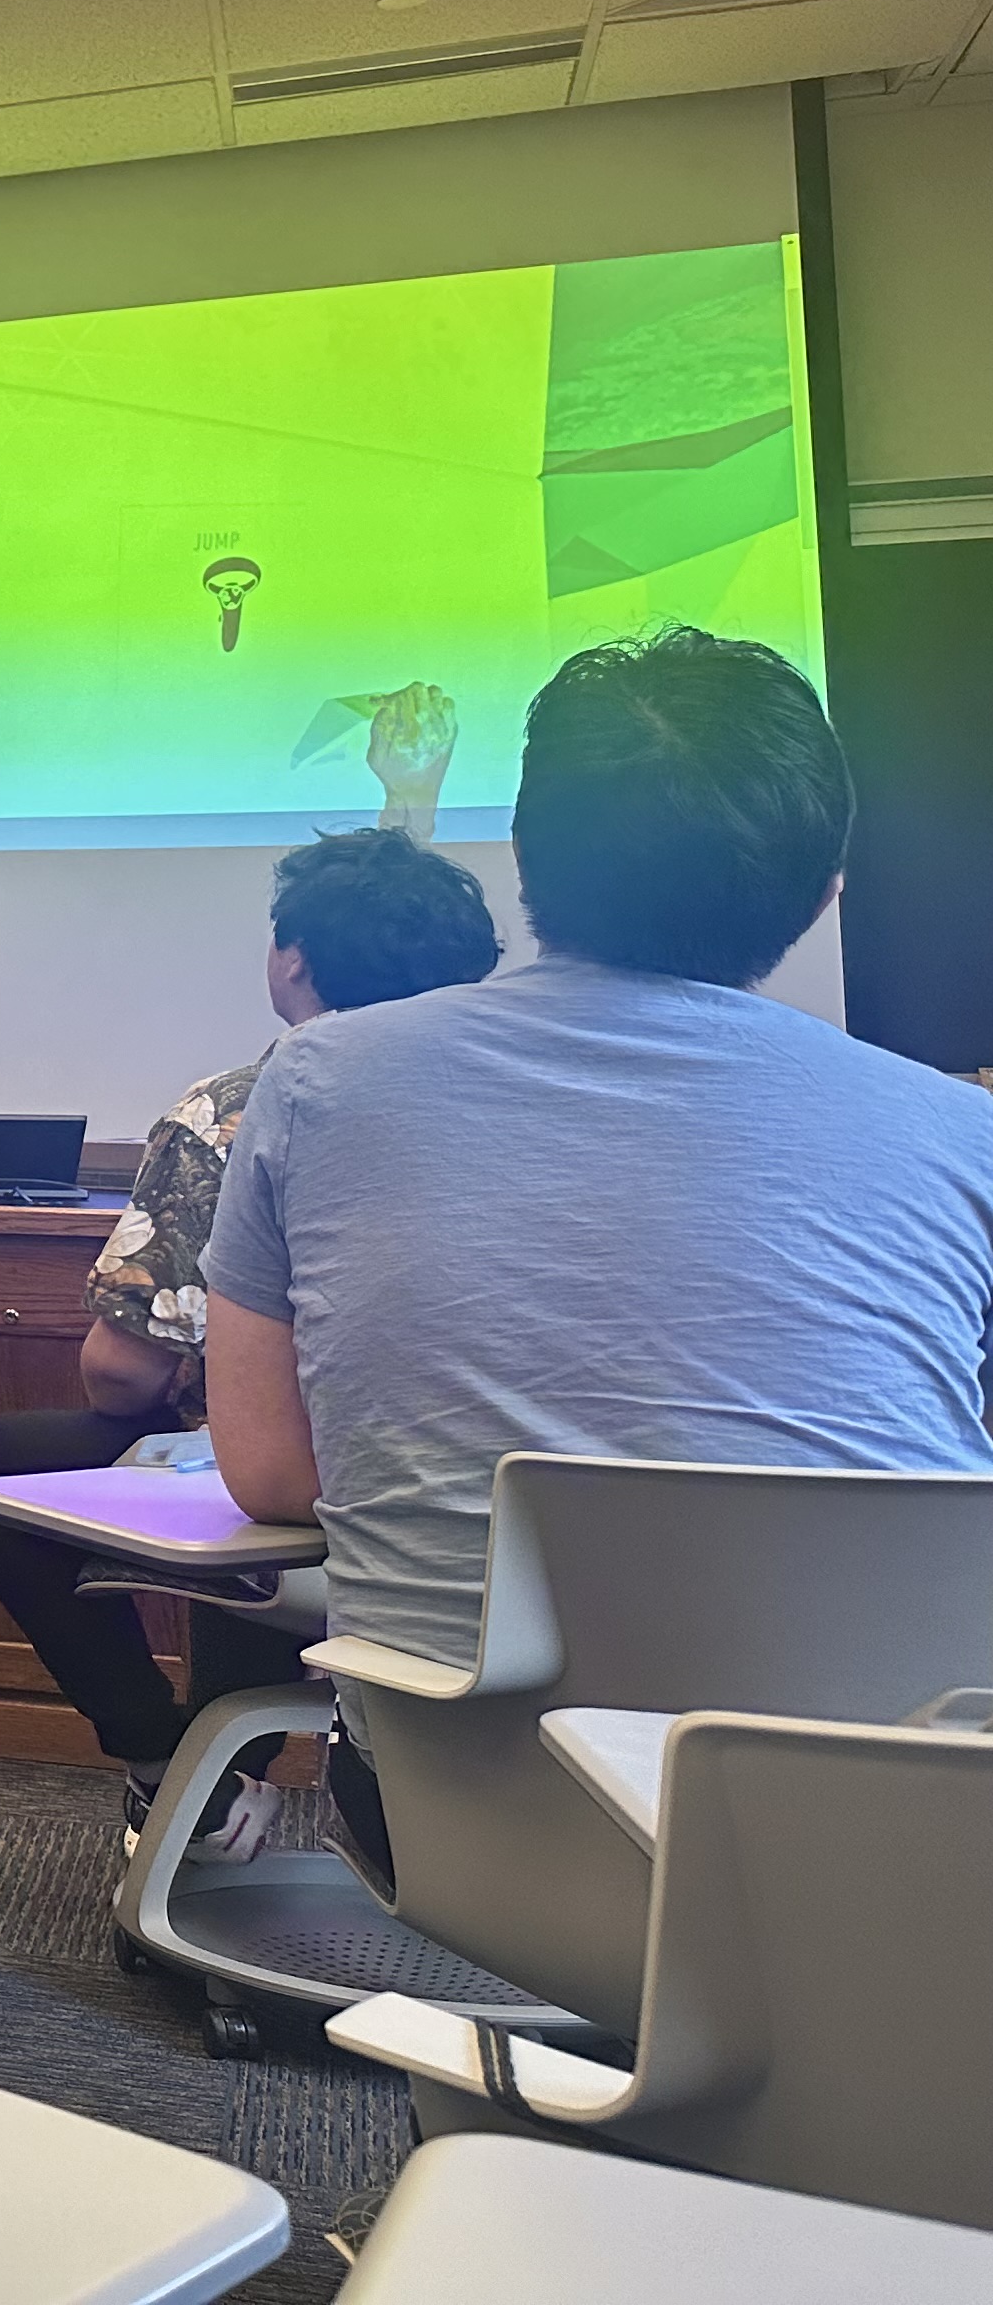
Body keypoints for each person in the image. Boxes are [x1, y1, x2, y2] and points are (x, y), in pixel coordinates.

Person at [204, 630, 993, 1880]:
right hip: (900, 1827)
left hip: (460, 1810)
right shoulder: (970, 1137)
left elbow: (267, 1468)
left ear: (523, 858)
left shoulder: (318, 1081)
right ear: (829, 885)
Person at [0, 827, 502, 1857]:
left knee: (27, 1461)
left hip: (309, 1496)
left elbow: (123, 1371)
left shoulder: (245, 1108)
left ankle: (178, 1773)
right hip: (516, 1517)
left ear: (290, 961)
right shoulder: (535, 1099)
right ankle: (232, 1778)